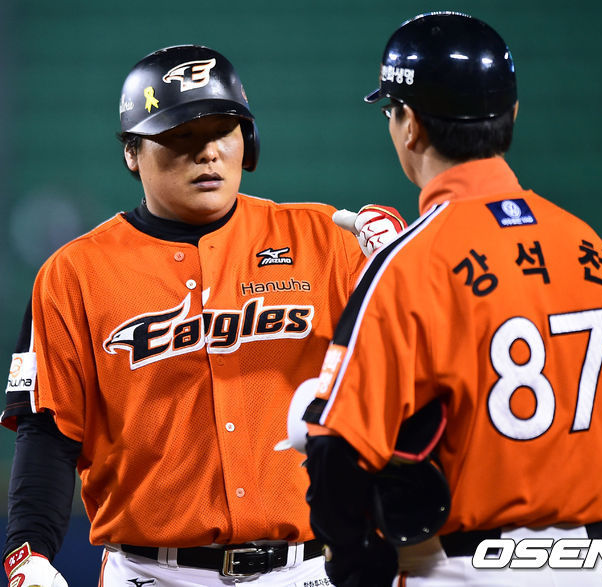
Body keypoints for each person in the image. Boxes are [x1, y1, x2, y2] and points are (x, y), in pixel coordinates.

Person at [1, 44, 406, 586]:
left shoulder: (325, 241)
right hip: (151, 572)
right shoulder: (75, 273)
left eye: (223, 131)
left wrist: (404, 274)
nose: (209, 152)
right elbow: (49, 432)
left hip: (307, 568)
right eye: (181, 135)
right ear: (132, 152)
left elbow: (410, 380)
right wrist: (28, 552)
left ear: (249, 142)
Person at [299, 12, 602, 587]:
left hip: (465, 567)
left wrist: (358, 565)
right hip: (595, 562)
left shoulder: (410, 264)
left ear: (410, 125)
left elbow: (336, 447)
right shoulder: (590, 246)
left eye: (391, 112)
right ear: (512, 114)